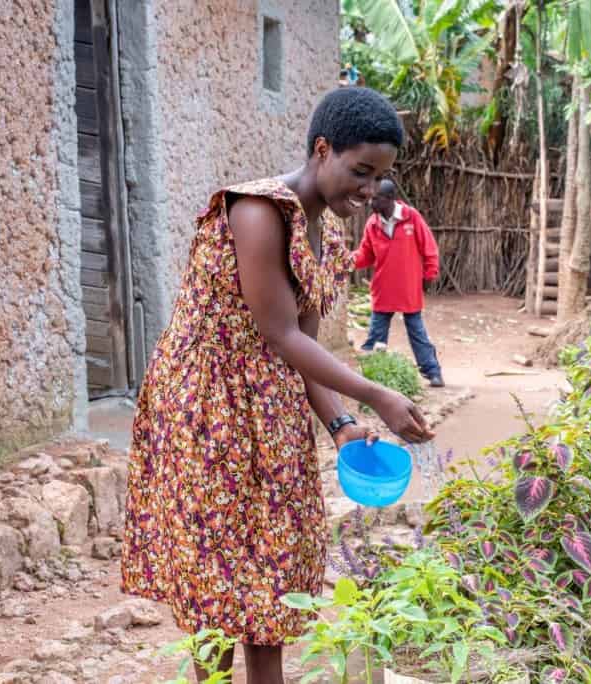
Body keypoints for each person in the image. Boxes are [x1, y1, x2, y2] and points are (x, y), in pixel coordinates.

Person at [120, 87, 433, 684]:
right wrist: (377, 395)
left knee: (275, 582)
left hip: (271, 412)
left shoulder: (330, 239)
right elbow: (280, 334)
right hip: (207, 408)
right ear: (323, 150)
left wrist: (341, 426)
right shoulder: (256, 211)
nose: (369, 192)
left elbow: (306, 353)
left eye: (380, 178)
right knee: (216, 587)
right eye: (360, 172)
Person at [353, 179, 445, 387]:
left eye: (375, 199)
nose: (371, 203)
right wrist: (347, 261)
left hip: (408, 287)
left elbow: (429, 247)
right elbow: (366, 255)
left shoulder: (411, 217)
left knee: (416, 332)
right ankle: (373, 376)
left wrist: (430, 274)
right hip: (383, 288)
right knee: (376, 336)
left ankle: (433, 372)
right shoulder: (373, 223)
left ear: (389, 199)